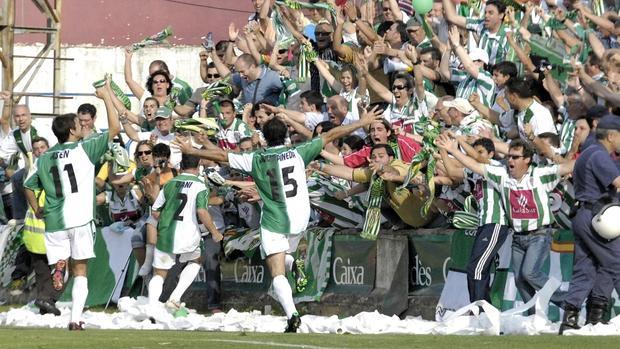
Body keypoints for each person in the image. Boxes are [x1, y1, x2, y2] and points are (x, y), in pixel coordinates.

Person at [173, 106, 384, 332]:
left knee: (277, 271)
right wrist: (362, 122)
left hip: (275, 219)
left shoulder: (255, 158)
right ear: (285, 135)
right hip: (300, 219)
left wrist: (194, 151)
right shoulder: (298, 151)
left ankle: (292, 313)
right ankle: (294, 261)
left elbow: (222, 156)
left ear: (263, 138)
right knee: (286, 256)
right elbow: (330, 135)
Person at [436, 137, 574, 312]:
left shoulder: (539, 175)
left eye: (515, 157)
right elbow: (471, 167)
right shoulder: (501, 176)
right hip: (518, 236)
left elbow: (568, 166)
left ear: (527, 160)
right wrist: (451, 150)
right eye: (509, 156)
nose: (510, 160)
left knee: (528, 273)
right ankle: (535, 315)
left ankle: (568, 302)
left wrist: (595, 155)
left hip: (538, 234)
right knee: (519, 280)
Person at [23, 81, 120, 330]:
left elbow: (27, 186)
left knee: (61, 266)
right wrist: (107, 96)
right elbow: (115, 127)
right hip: (80, 218)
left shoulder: (44, 158)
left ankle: (59, 268)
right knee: (81, 271)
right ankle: (75, 320)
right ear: (72, 131)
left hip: (54, 221)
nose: (82, 125)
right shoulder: (85, 149)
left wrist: (36, 208)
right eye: (78, 124)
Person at [559, 114, 620, 334]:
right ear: (611, 136)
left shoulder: (588, 152)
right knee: (616, 262)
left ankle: (571, 319)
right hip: (598, 217)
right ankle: (593, 315)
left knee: (586, 268)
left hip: (583, 214)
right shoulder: (600, 156)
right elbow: (618, 183)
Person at [436, 135, 509, 303]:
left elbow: (476, 159)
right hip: (483, 224)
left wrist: (458, 142)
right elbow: (452, 172)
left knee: (476, 268)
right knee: (476, 268)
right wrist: (442, 148)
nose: (476, 155)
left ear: (491, 154)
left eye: (481, 152)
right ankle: (480, 308)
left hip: (496, 222)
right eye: (474, 151)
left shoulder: (497, 167)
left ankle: (481, 308)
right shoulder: (474, 172)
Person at [147, 153, 223, 311]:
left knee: (159, 274)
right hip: (189, 234)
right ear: (198, 166)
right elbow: (202, 211)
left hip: (167, 233)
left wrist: (168, 216)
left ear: (181, 167)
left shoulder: (169, 184)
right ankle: (175, 297)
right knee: (196, 260)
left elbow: (155, 212)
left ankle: (152, 307)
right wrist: (214, 232)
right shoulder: (200, 185)